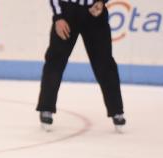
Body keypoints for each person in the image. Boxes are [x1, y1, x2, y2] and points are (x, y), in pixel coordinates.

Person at [37, 0, 126, 132]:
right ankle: (46, 108)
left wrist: (101, 2)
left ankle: (117, 111)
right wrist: (58, 16)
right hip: (67, 12)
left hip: (94, 13)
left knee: (105, 63)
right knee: (55, 61)